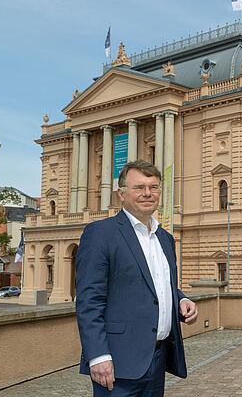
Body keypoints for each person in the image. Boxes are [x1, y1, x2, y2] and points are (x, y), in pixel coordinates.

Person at [76, 160, 198, 397]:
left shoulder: (165, 238)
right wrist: (98, 356)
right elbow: (89, 301)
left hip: (158, 358)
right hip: (117, 362)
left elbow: (157, 286)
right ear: (121, 193)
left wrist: (180, 300)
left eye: (153, 188)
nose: (147, 194)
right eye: (139, 187)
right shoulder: (101, 233)